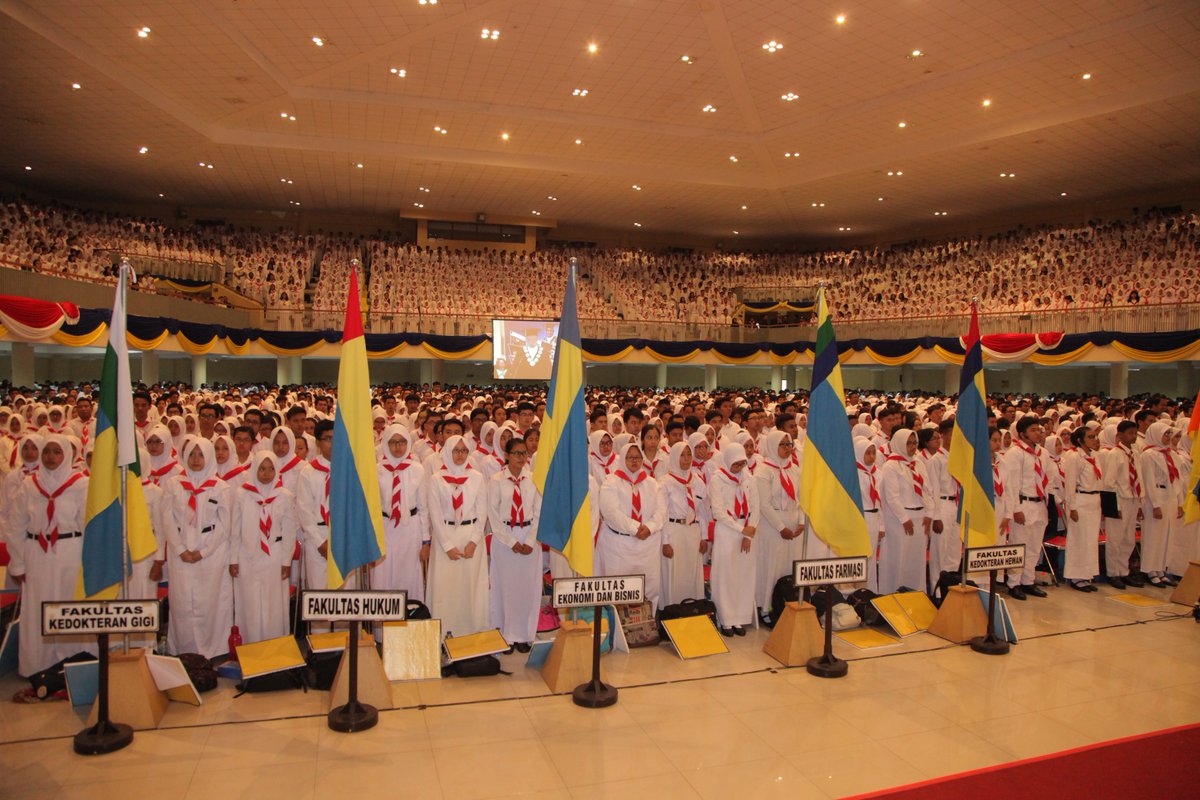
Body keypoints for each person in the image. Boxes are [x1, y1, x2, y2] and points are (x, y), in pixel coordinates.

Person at [8, 434, 93, 676]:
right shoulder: (29, 485)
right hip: (38, 552)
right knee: (39, 605)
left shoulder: (80, 484)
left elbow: (87, 523)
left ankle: (74, 662)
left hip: (71, 550)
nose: (50, 457)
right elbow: (15, 526)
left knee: (71, 604)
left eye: (56, 452)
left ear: (66, 454)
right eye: (47, 451)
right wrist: (18, 563)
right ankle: (38, 665)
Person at [163, 439, 233, 658]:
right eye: (191, 454)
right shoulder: (173, 484)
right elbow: (165, 518)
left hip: (211, 554)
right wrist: (180, 548)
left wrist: (203, 551)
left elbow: (224, 525)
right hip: (180, 554)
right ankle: (184, 650)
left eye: (200, 455)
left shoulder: (221, 487)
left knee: (209, 603)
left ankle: (213, 650)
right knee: (182, 603)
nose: (195, 460)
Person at [425, 435, 489, 638]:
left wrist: (474, 542)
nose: (460, 455)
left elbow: (482, 512)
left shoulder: (477, 477)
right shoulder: (436, 479)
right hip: (446, 536)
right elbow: (434, 514)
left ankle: (471, 633)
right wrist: (446, 545)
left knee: (470, 588)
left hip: (471, 536)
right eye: (455, 450)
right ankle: (444, 634)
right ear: (447, 451)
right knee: (445, 589)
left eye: (463, 450)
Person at [230, 452, 297, 642]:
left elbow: (289, 531)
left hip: (274, 555)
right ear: (254, 469)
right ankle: (250, 643)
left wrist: (286, 560)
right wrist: (233, 559)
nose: (266, 474)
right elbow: (235, 530)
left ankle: (274, 644)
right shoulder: (242, 494)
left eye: (270, 469)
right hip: (247, 555)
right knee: (249, 601)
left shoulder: (284, 496)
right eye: (261, 468)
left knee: (273, 602)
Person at [487, 437, 541, 651]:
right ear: (506, 456)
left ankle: (525, 634)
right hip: (504, 539)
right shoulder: (496, 480)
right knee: (504, 587)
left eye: (524, 453)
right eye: (516, 453)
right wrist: (511, 541)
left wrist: (529, 540)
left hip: (529, 536)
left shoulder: (534, 479)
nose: (521, 458)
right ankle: (506, 634)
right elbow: (492, 514)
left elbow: (538, 511)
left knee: (527, 588)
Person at [598, 443, 666, 611]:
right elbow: (610, 512)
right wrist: (635, 528)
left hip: (647, 545)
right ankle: (618, 627)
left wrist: (649, 527)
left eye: (637, 457)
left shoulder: (651, 483)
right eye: (630, 457)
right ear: (622, 459)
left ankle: (646, 627)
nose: (634, 461)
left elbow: (661, 510)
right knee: (618, 590)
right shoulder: (611, 481)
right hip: (619, 546)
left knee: (649, 587)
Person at [708, 445, 759, 636]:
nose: (738, 467)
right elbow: (718, 511)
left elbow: (755, 506)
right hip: (727, 531)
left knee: (743, 575)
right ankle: (726, 619)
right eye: (735, 464)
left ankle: (740, 618)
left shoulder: (749, 479)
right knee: (726, 575)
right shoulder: (717, 479)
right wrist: (740, 529)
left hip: (747, 531)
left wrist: (747, 534)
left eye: (741, 463)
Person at [375, 424, 429, 602]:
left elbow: (423, 507)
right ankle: (382, 628)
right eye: (392, 442)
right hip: (385, 528)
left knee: (408, 575)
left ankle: (409, 623)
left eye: (402, 442)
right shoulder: (377, 470)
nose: (398, 447)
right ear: (385, 444)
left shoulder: (417, 469)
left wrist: (426, 541)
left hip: (410, 529)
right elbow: (373, 507)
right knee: (384, 576)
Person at [754, 430, 804, 621]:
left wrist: (801, 521)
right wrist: (780, 527)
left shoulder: (795, 469)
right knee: (771, 566)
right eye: (782, 445)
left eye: (789, 444)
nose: (787, 449)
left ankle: (789, 604)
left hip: (792, 522)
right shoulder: (763, 471)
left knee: (788, 566)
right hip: (772, 526)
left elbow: (800, 498)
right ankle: (767, 608)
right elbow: (764, 504)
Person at [1001, 416, 1051, 599]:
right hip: (1023, 503)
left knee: (1034, 546)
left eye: (1039, 430)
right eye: (1033, 430)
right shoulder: (1015, 453)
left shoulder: (1043, 453)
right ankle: (1014, 583)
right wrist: (1015, 509)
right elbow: (1011, 484)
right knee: (1018, 545)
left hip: (1039, 503)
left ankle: (1028, 580)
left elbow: (1048, 479)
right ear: (1022, 434)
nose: (1038, 433)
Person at [878, 429, 929, 594]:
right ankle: (895, 594)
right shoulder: (891, 466)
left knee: (917, 559)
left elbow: (927, 489)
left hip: (920, 516)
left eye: (914, 443)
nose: (913, 447)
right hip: (899, 519)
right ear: (899, 443)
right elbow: (892, 496)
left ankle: (917, 593)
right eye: (908, 443)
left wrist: (929, 513)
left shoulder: (918, 463)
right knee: (899, 558)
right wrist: (904, 518)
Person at [658, 441, 705, 605]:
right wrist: (665, 541)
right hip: (674, 531)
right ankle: (672, 611)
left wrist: (703, 537)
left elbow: (703, 511)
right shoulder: (665, 482)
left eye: (689, 455)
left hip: (693, 530)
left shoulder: (697, 480)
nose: (686, 459)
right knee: (674, 574)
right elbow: (662, 514)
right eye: (682, 456)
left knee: (691, 573)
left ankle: (692, 609)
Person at [1099, 421, 1144, 588]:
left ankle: (1123, 570)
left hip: (1133, 498)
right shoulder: (1114, 454)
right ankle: (1113, 573)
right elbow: (1109, 483)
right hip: (1119, 500)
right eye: (1130, 433)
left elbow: (1139, 478)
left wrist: (1140, 503)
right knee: (1115, 539)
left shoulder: (1135, 453)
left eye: (1135, 433)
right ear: (1120, 435)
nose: (1133, 436)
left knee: (1128, 539)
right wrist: (1114, 507)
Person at [1140, 421, 1184, 587]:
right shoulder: (1148, 455)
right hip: (1156, 496)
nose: (1168, 437)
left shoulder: (1171, 454)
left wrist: (1180, 502)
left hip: (1170, 495)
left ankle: (1160, 568)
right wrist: (1155, 504)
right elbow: (1149, 481)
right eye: (1165, 433)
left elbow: (1177, 479)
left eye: (1169, 434)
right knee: (1154, 535)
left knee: (1167, 534)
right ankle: (1150, 570)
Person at [1062, 427, 1103, 591]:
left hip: (1094, 499)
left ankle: (1087, 575)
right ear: (1080, 440)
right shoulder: (1074, 457)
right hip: (1081, 499)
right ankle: (1075, 576)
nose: (1094, 439)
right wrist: (1072, 507)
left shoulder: (1095, 455)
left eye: (1095, 436)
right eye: (1091, 437)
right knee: (1079, 539)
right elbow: (1070, 483)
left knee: (1091, 540)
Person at [854, 436, 883, 593]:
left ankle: (871, 591)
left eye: (873, 453)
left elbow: (881, 501)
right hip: (861, 518)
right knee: (860, 557)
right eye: (868, 453)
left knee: (871, 559)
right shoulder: (854, 474)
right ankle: (857, 592)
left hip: (874, 517)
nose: (872, 457)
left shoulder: (878, 473)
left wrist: (882, 525)